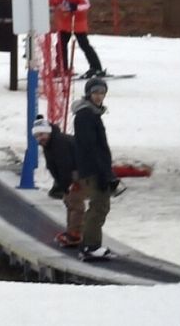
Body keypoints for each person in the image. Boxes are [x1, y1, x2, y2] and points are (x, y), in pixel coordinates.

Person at [73, 77, 117, 261]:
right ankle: (90, 246)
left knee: (100, 207)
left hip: (95, 169)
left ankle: (90, 244)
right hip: (93, 170)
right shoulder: (86, 115)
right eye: (96, 92)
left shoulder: (92, 113)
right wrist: (103, 173)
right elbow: (90, 147)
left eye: (102, 93)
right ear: (89, 93)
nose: (99, 96)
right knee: (98, 207)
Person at [32, 115, 85, 247]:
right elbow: (55, 166)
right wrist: (63, 185)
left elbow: (65, 165)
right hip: (71, 173)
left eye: (42, 134)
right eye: (37, 136)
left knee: (75, 203)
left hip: (79, 171)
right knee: (69, 201)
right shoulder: (49, 143)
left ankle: (75, 234)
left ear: (48, 132)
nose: (40, 139)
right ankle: (72, 231)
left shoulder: (59, 143)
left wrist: (69, 183)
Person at [50, 0, 106, 78]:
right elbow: (53, 1)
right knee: (60, 45)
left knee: (84, 44)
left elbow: (86, 4)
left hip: (77, 23)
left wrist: (74, 7)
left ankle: (96, 68)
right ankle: (62, 68)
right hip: (65, 22)